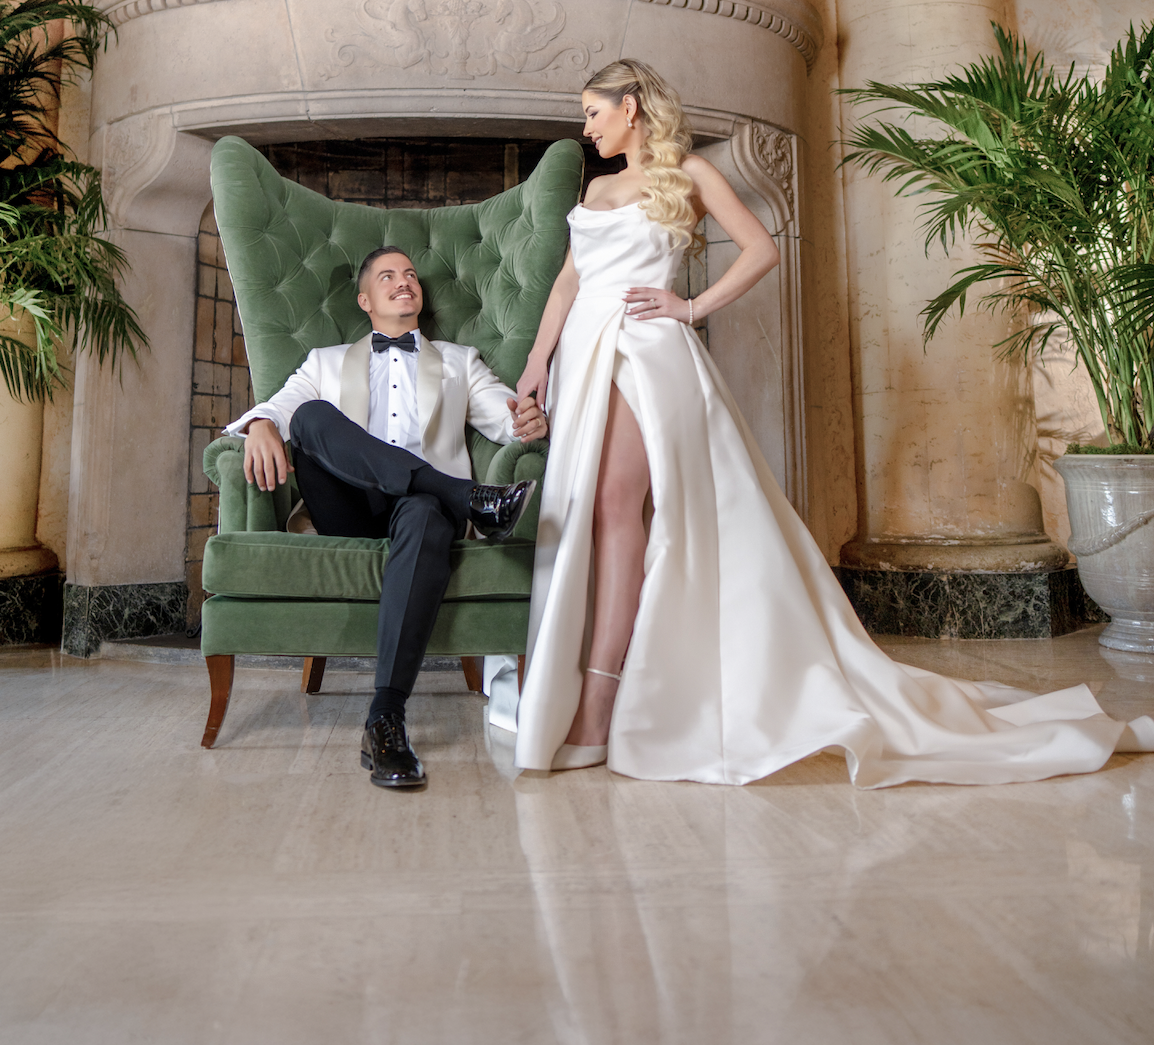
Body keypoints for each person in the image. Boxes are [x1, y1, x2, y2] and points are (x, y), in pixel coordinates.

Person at [513, 59, 1154, 785]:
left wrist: (689, 308)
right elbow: (570, 278)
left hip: (645, 353)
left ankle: (601, 703)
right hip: (583, 355)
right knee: (598, 518)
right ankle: (600, 687)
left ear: (631, 106)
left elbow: (759, 248)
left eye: (594, 111)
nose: (586, 125)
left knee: (615, 508)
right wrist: (539, 360)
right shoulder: (596, 187)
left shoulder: (687, 172)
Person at [226, 245, 545, 791]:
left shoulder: (459, 361)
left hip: (421, 517)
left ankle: (385, 720)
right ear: (365, 299)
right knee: (308, 416)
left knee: (424, 511)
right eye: (389, 276)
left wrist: (530, 421)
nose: (405, 283)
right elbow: (280, 412)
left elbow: (508, 421)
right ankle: (465, 496)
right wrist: (260, 425)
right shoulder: (323, 362)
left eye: (412, 275)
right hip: (345, 507)